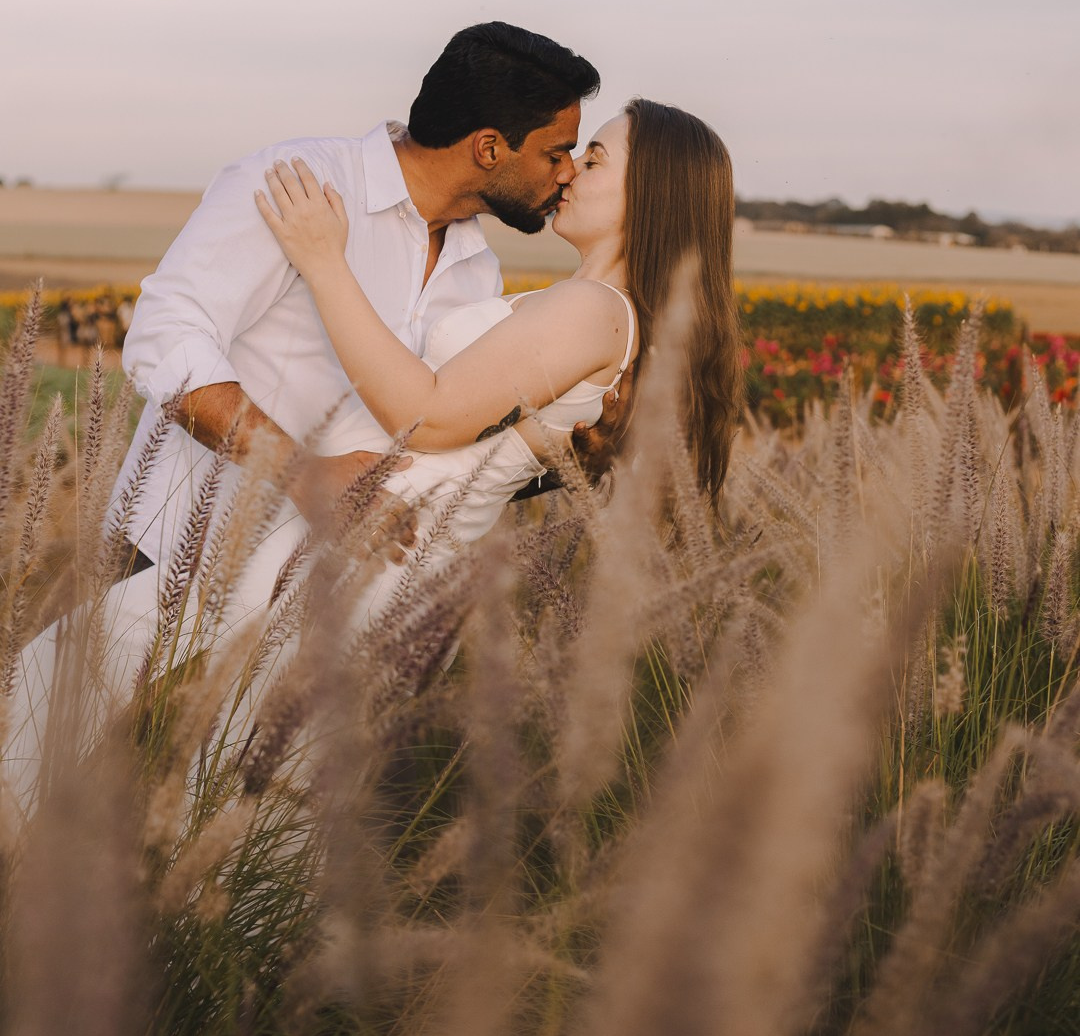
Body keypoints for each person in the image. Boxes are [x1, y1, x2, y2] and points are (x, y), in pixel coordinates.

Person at [4, 99, 742, 816]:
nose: (571, 170)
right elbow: (488, 442)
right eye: (568, 151)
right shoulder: (586, 305)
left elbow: (426, 416)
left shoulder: (593, 311)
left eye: (595, 155)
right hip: (380, 537)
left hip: (372, 545)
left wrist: (324, 261)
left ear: (652, 192)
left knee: (129, 702)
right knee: (237, 757)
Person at [107, 21, 604, 574]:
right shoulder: (297, 185)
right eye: (556, 153)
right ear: (489, 147)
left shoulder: (477, 270)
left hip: (312, 595)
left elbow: (435, 449)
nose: (567, 174)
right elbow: (164, 335)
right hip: (171, 555)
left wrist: (562, 458)